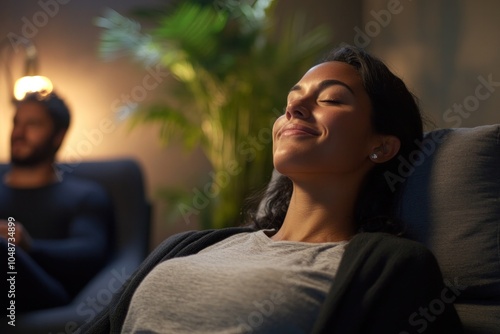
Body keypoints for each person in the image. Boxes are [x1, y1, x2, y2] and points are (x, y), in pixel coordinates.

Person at [81, 45, 463, 333]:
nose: (295, 107)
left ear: (380, 145)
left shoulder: (391, 268)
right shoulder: (191, 246)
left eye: (330, 99)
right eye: (291, 100)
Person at [0, 92, 113, 313]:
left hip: (44, 295)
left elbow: (91, 252)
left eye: (32, 124)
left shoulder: (84, 196)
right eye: (16, 123)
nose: (18, 133)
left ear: (58, 136)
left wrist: (28, 246)